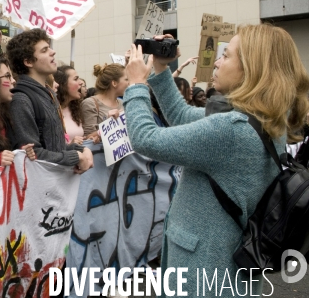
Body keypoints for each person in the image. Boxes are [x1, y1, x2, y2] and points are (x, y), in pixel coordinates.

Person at [123, 24, 309, 295]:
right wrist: (162, 68)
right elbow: (183, 118)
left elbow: (144, 138)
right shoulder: (260, 119)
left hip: (202, 271)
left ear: (251, 68)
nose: (218, 63)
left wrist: (137, 84)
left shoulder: (230, 130)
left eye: (227, 56)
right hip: (225, 267)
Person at [6, 29, 93, 173]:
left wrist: (83, 149)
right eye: (45, 50)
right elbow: (33, 155)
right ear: (28, 62)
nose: (53, 52)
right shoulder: (22, 100)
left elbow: (55, 147)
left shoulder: (49, 94)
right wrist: (75, 156)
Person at [81, 63, 128, 140]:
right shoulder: (90, 103)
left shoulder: (122, 103)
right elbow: (88, 137)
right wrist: (109, 123)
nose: (129, 83)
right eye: (126, 79)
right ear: (114, 83)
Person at [54, 65, 85, 144]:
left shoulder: (75, 108)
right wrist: (70, 145)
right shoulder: (52, 110)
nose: (81, 82)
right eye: (75, 79)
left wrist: (90, 138)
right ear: (63, 85)